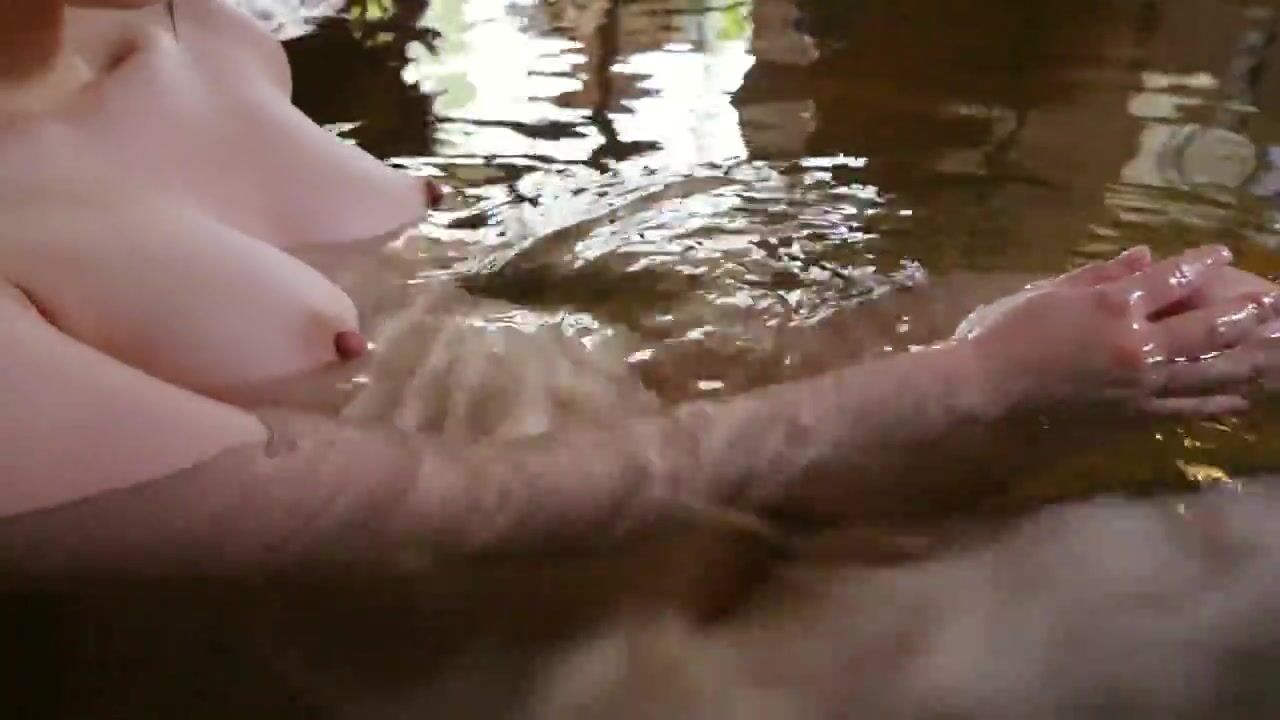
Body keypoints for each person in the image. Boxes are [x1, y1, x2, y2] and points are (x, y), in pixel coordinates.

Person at [2, 0, 1280, 577]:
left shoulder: (161, 18)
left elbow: (449, 317)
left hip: (623, 391)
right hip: (544, 631)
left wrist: (985, 362)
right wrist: (972, 383)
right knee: (1235, 561)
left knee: (1211, 314)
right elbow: (442, 509)